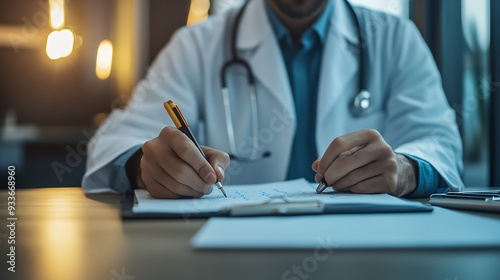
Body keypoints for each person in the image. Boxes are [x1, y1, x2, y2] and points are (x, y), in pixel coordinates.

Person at [82, 0, 464, 199]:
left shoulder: (394, 38)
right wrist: (145, 165)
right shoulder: (197, 45)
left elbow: (441, 143)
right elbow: (119, 139)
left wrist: (405, 170)